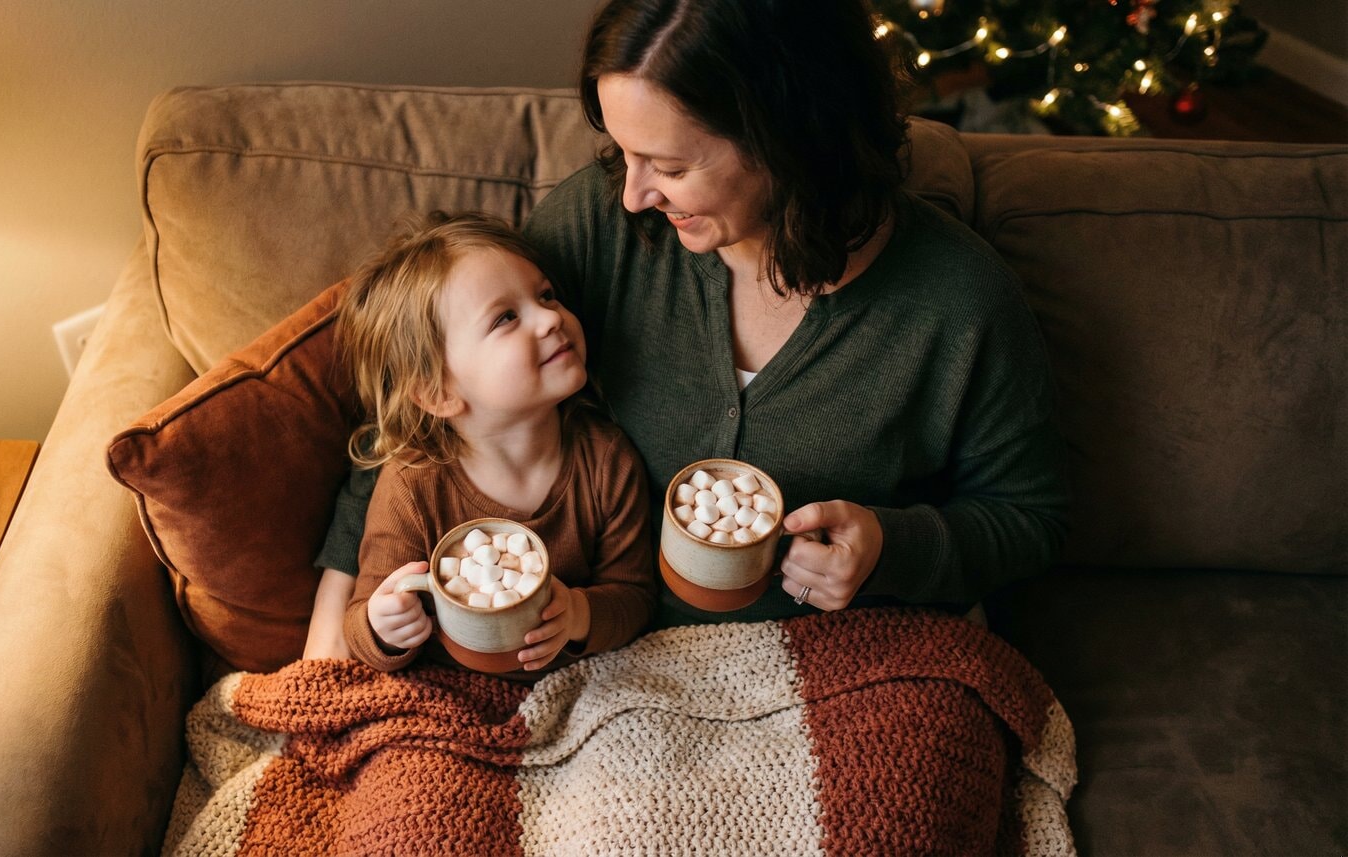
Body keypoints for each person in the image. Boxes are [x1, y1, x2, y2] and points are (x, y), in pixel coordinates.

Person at [318, 0, 1067, 629]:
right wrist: (334, 645)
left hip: (841, 658)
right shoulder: (603, 228)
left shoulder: (958, 304)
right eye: (623, 152)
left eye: (671, 167)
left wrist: (890, 547)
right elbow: (422, 413)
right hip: (623, 660)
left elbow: (1031, 518)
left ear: (788, 143)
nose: (635, 194)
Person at [302, 212, 656, 677]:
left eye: (546, 294)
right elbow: (364, 618)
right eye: (505, 318)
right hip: (449, 687)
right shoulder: (413, 485)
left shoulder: (607, 461)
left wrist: (581, 614)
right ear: (438, 393)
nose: (550, 317)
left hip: (581, 679)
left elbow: (634, 596)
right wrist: (382, 627)